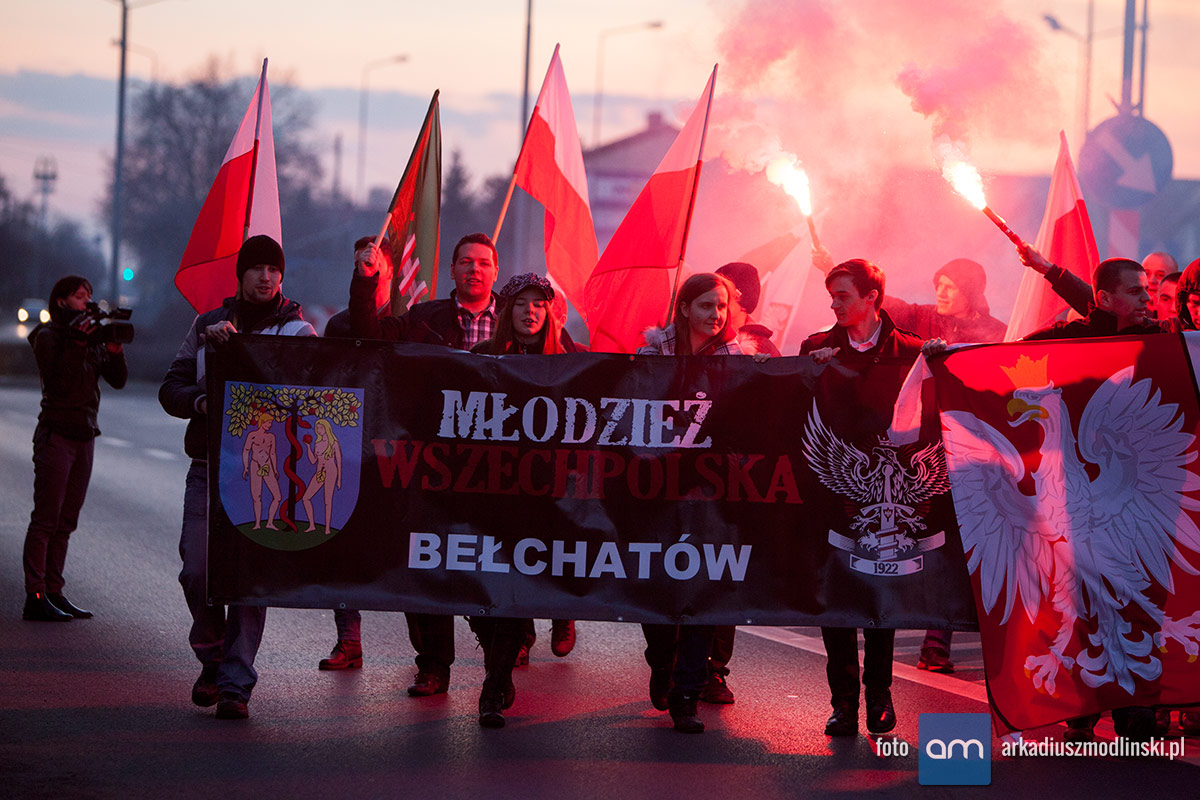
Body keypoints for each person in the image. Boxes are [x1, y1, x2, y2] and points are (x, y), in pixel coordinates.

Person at [159, 235, 316, 719]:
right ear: (241, 274)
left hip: (269, 476)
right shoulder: (206, 325)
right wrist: (201, 402)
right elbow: (171, 388)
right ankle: (213, 657)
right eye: (257, 268)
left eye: (274, 270)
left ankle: (235, 684)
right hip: (209, 469)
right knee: (196, 570)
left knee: (249, 582)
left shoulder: (298, 331)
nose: (266, 278)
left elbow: (317, 391)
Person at [1014, 249, 1162, 743]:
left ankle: (1134, 709)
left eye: (1148, 291)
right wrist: (940, 353)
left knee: (1135, 599)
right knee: (1078, 600)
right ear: (1106, 298)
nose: (1147, 300)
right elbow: (998, 362)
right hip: (1073, 502)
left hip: (1138, 499)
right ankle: (1082, 703)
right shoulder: (1064, 339)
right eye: (1136, 292)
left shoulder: (1160, 341)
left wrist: (1052, 271)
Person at [349, 232, 500, 697]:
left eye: (483, 262)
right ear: (451, 270)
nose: (474, 269)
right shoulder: (423, 318)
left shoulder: (517, 320)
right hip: (431, 460)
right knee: (426, 558)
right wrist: (365, 282)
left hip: (495, 466)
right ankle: (433, 665)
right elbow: (369, 335)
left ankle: (499, 663)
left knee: (490, 563)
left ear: (496, 271)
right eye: (465, 262)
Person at [637, 271, 767, 733]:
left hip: (713, 492)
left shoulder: (739, 360)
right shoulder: (651, 356)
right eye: (707, 305)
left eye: (722, 306)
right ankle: (662, 660)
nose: (716, 314)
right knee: (655, 585)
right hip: (656, 488)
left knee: (702, 587)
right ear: (685, 308)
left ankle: (687, 694)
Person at [801, 258, 923, 737]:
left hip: (888, 496)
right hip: (831, 492)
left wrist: (940, 359)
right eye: (831, 297)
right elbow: (794, 404)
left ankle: (879, 696)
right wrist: (801, 372)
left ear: (872, 297)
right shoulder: (817, 347)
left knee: (879, 593)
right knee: (835, 598)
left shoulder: (910, 349)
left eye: (843, 296)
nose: (834, 305)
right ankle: (843, 703)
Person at [466, 272, 580, 727]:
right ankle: (495, 658)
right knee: (479, 592)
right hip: (487, 492)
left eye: (539, 304)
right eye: (521, 303)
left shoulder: (569, 363)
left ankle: (493, 688)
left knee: (516, 591)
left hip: (541, 497)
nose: (530, 312)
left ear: (549, 312)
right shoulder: (480, 357)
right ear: (505, 311)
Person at [22, 275, 127, 622]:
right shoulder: (49, 336)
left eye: (89, 296)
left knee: (66, 521)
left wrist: (113, 350)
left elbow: (118, 380)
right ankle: (35, 595)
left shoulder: (89, 336)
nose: (87, 302)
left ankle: (54, 591)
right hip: (56, 434)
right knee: (46, 519)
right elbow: (58, 383)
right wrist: (77, 343)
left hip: (85, 434)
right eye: (80, 296)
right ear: (62, 300)